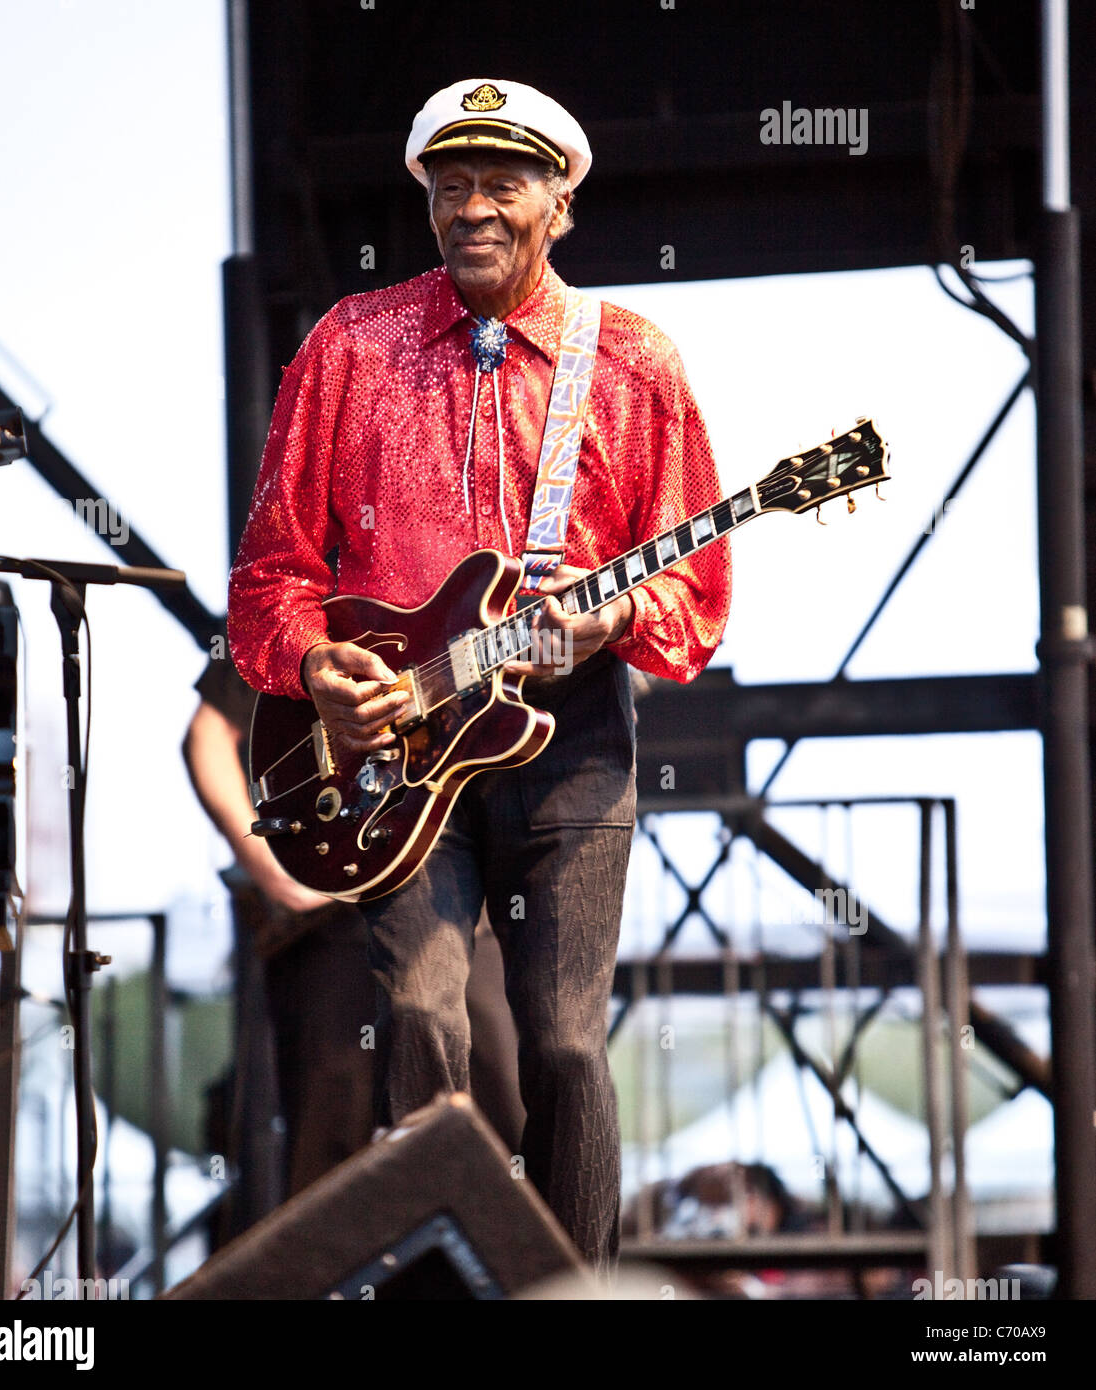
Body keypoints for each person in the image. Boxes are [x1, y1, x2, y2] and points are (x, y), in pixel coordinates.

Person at [228, 78, 731, 1271]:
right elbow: (267, 579)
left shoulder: (630, 362)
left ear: (560, 199)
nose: (473, 208)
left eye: (502, 184)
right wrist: (314, 662)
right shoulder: (350, 344)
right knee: (417, 1011)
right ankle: (432, 1283)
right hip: (398, 754)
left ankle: (573, 1291)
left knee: (562, 1043)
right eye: (449, 187)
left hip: (571, 741)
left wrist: (610, 623)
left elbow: (695, 598)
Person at [182, 644, 525, 1209]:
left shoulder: (485, 568)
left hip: (461, 904)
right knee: (328, 1147)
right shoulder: (300, 592)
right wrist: (265, 864)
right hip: (335, 922)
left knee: (503, 1125)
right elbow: (210, 732)